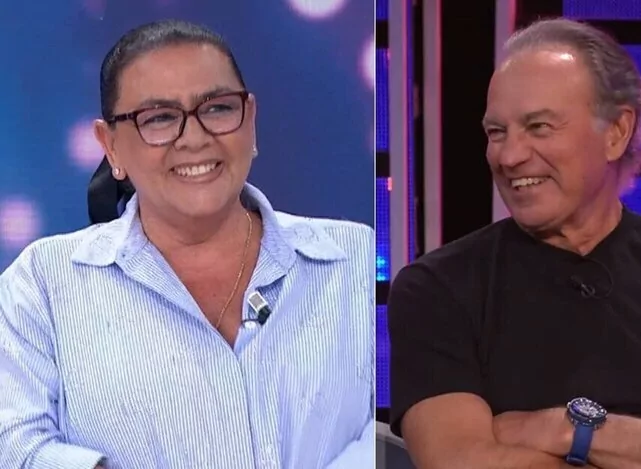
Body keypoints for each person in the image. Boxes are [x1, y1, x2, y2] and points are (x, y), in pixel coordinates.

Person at [0, 20, 374, 469]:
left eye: (217, 109)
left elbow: (395, 423)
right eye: (159, 118)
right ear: (110, 146)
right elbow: (15, 444)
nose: (194, 139)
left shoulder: (356, 259)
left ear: (250, 119)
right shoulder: (41, 284)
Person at [387, 17, 641, 469]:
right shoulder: (437, 289)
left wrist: (563, 430)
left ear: (616, 132)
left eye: (539, 127)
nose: (509, 156)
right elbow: (462, 461)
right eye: (496, 132)